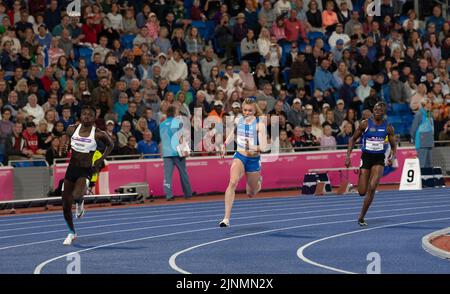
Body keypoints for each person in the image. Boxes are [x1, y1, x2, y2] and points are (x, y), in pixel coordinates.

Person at [60, 106, 114, 245]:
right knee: (66, 203)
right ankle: (71, 232)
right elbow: (65, 146)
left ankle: (80, 201)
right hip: (72, 168)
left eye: (90, 115)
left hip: (86, 169)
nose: (87, 116)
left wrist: (100, 159)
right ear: (80, 116)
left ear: (94, 118)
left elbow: (111, 144)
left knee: (77, 195)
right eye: (84, 114)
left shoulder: (98, 134)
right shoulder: (72, 129)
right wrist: (64, 148)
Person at [219, 98, 269, 227]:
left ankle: (258, 183)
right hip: (240, 155)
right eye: (245, 110)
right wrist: (224, 144)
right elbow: (232, 133)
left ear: (255, 110)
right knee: (233, 181)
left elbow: (264, 147)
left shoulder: (260, 125)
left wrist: (252, 147)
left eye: (250, 110)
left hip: (253, 159)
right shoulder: (238, 120)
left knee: (250, 193)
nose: (247, 112)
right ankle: (226, 218)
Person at [345, 102, 396, 227]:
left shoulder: (388, 127)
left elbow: (394, 146)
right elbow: (352, 139)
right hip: (366, 158)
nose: (378, 110)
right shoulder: (365, 124)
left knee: (372, 187)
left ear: (384, 112)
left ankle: (361, 217)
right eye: (376, 108)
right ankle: (364, 178)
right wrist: (348, 156)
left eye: (380, 109)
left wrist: (392, 156)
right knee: (362, 192)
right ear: (373, 110)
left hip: (379, 158)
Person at [159, 105, 193, 201]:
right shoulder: (177, 122)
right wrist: (185, 149)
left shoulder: (162, 124)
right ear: (174, 113)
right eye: (177, 112)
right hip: (178, 152)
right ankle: (188, 193)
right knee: (183, 173)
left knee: (167, 176)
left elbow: (162, 138)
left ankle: (168, 195)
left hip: (166, 153)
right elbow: (180, 137)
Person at [410, 98, 434, 168]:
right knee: (422, 164)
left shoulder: (429, 113)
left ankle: (428, 178)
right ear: (425, 104)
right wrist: (413, 138)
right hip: (421, 143)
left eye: (430, 103)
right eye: (429, 103)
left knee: (429, 165)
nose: (430, 105)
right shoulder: (419, 114)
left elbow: (431, 126)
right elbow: (414, 128)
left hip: (429, 142)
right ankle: (421, 178)